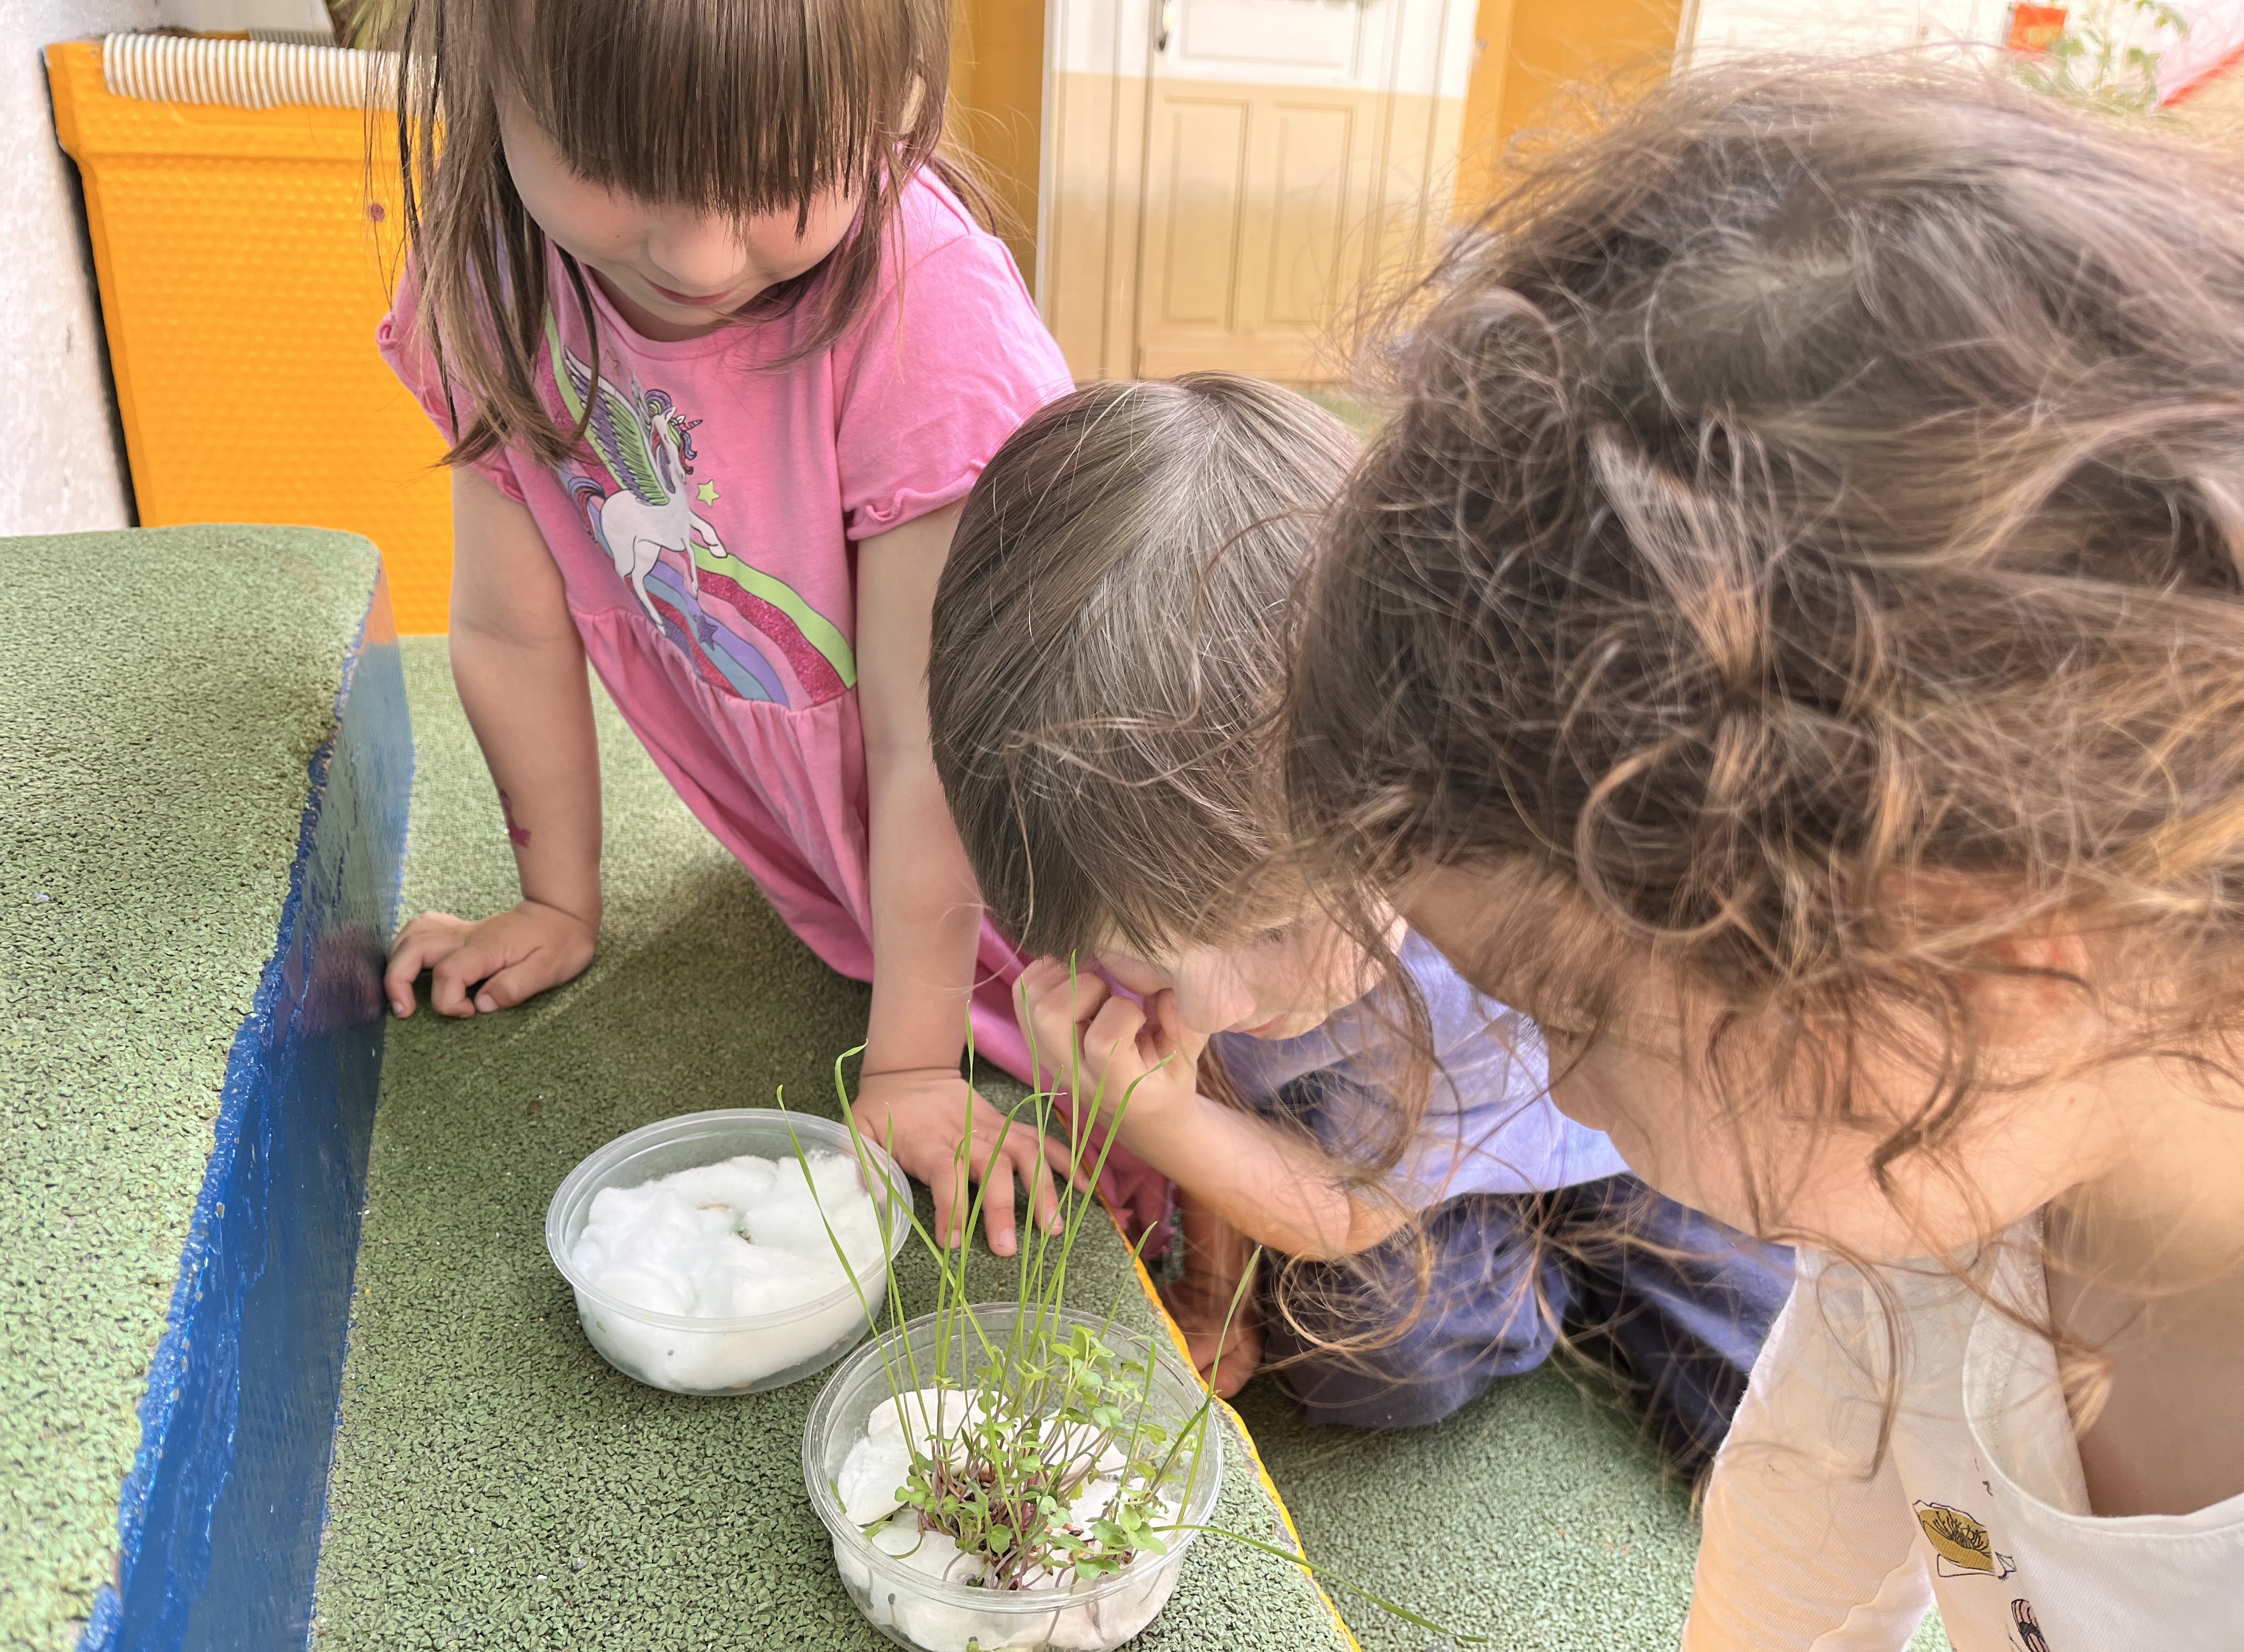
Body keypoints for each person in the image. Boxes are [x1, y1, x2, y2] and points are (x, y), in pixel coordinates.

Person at [1285, 60, 2244, 1652]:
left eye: (1569, 1012)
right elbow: (1814, 1489)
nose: (1561, 1088)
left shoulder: (1941, 1123)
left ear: (1968, 973)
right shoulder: (1944, 1172)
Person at [925, 374, 1789, 1467]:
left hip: (1601, 1132)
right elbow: (1221, 1075)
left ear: (1406, 810)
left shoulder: (1469, 942)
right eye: (1143, 951)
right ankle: (1519, 1257)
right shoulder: (1130, 864)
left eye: (1276, 928)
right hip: (1382, 1128)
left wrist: (1156, 1122)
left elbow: (1340, 1213)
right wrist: (1213, 1286)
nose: (1211, 1004)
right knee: (1368, 1365)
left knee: (1759, 1386)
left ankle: (1577, 1225)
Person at [369, 0, 1076, 1254]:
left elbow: (939, 741)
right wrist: (557, 902)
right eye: (616, 162)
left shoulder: (930, 321)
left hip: (1041, 882)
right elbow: (510, 628)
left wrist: (914, 1066)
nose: (698, 258)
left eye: (781, 171)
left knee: (1146, 1129)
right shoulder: (491, 272)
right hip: (843, 878)